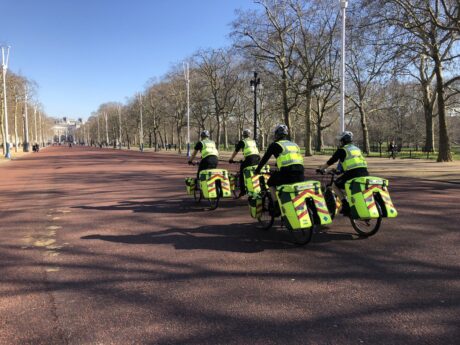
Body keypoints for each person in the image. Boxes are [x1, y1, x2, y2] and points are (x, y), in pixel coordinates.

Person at [254, 124, 304, 216]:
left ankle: (276, 205)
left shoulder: (275, 145)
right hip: (301, 173)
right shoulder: (294, 145)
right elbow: (290, 158)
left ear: (276, 134)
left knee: (270, 183)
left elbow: (264, 159)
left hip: (286, 174)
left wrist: (257, 170)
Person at [319, 131, 369, 215]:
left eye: (341, 140)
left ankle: (345, 205)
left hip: (352, 173)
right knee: (347, 185)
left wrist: (322, 168)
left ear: (343, 141)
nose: (340, 142)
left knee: (335, 185)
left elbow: (331, 161)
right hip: (365, 172)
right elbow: (353, 163)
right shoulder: (356, 149)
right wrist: (339, 171)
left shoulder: (342, 150)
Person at [228, 129, 260, 196]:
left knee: (242, 172)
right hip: (257, 159)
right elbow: (253, 152)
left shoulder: (242, 142)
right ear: (249, 135)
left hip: (249, 159)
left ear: (243, 135)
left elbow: (236, 151)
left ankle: (243, 191)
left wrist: (231, 159)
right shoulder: (253, 141)